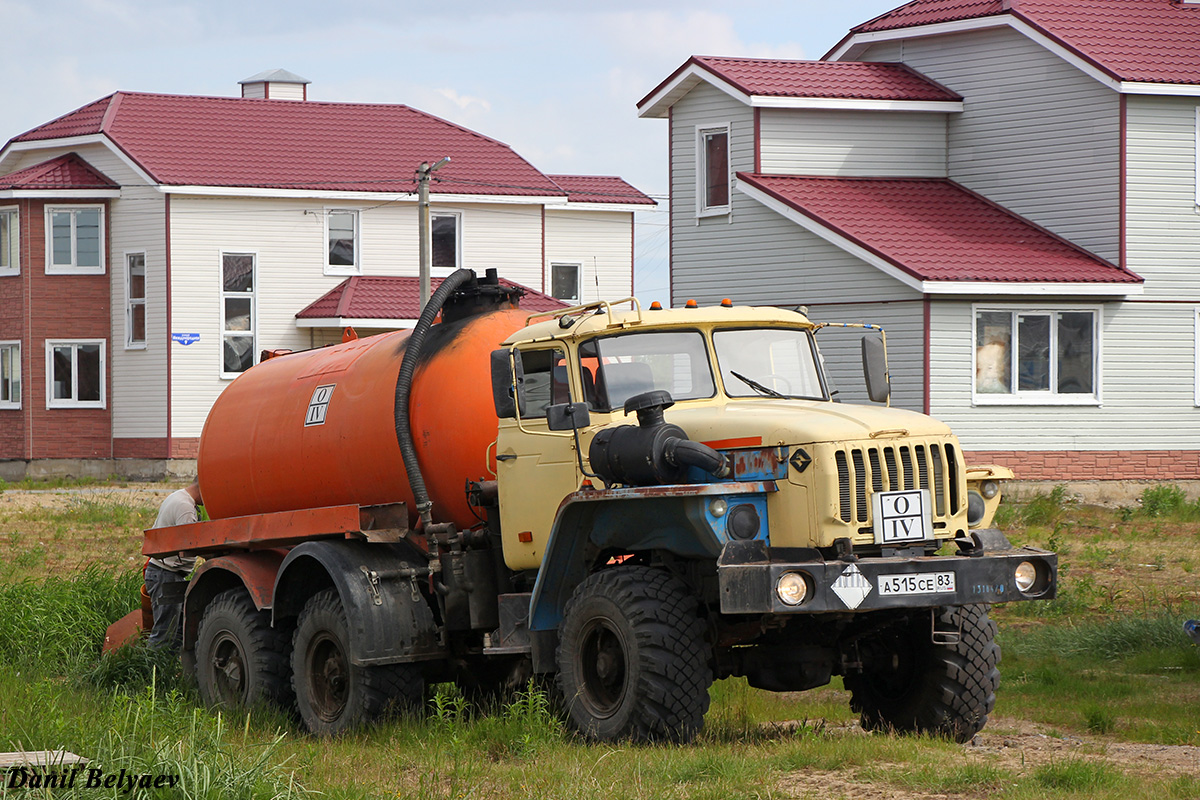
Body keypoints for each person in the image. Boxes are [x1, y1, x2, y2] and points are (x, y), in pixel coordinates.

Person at [144, 480, 202, 649]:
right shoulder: (185, 507)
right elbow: (190, 544)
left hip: (162, 572)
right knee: (164, 634)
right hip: (166, 574)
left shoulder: (177, 497)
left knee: (175, 632)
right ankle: (151, 673)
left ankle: (163, 671)